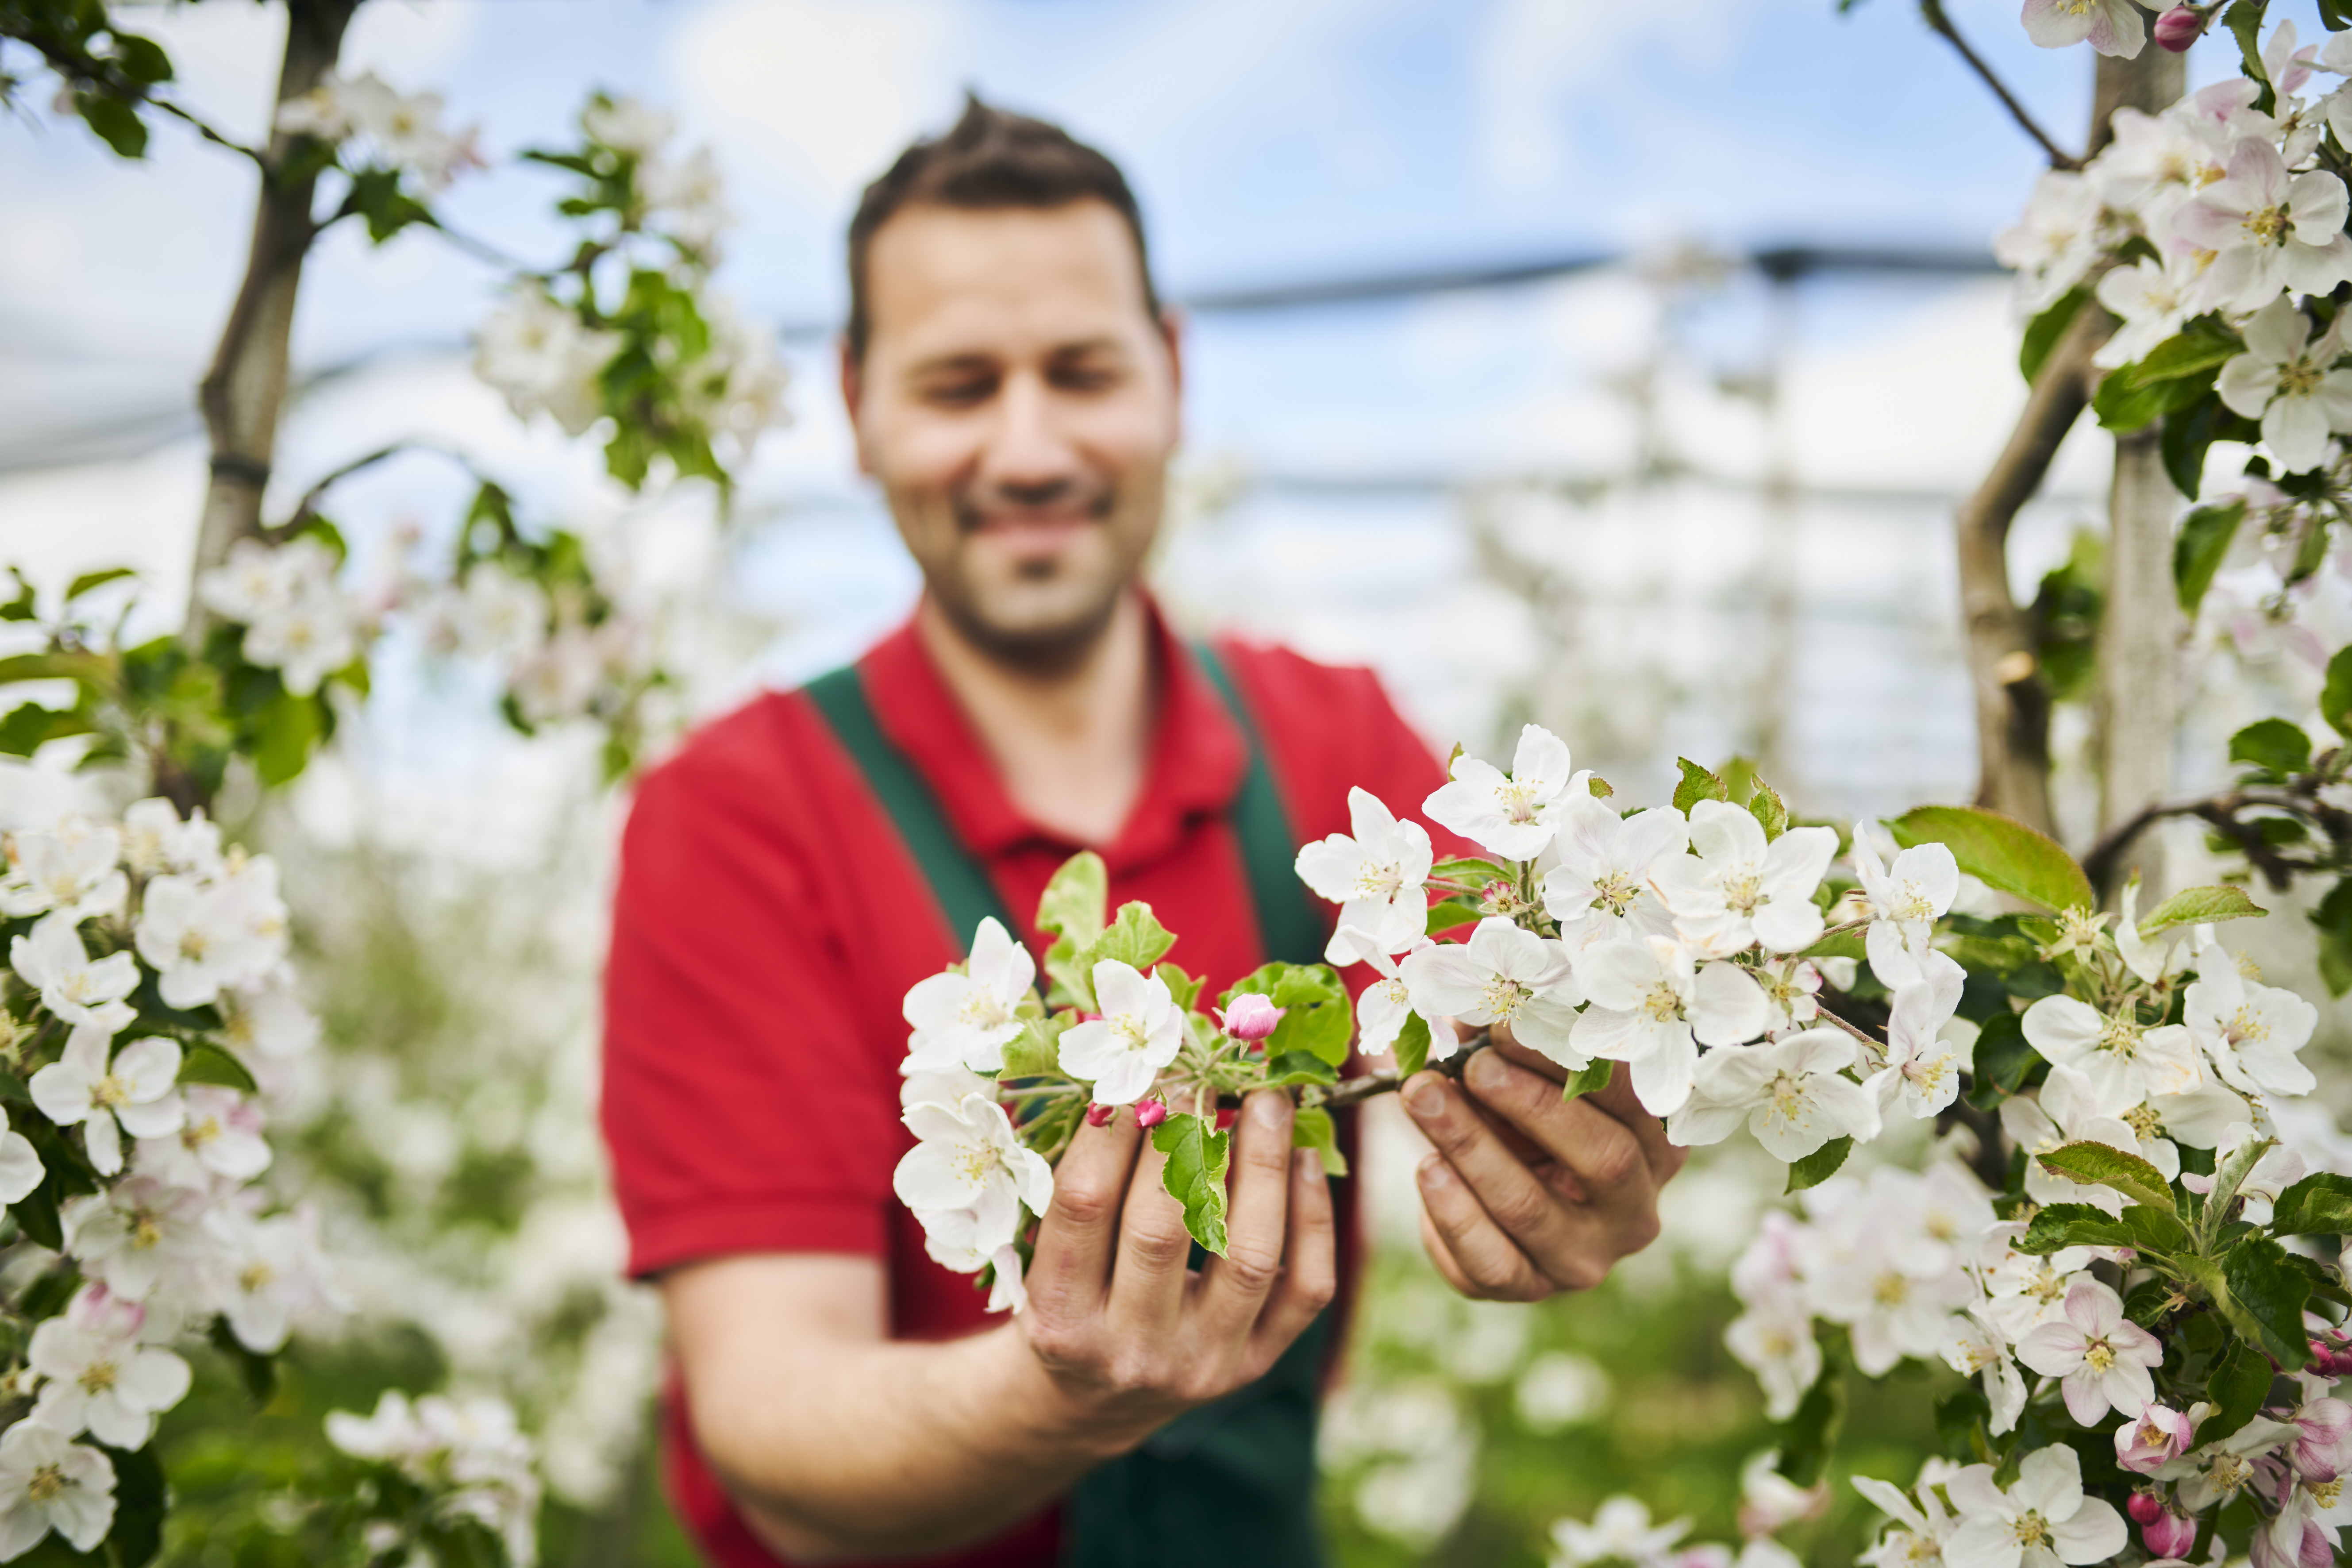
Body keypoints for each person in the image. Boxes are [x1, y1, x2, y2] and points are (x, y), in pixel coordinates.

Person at [599, 97, 1687, 1568]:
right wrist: (1061, 1391)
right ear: (854, 404)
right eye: (960, 385)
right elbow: (771, 1424)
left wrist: (1577, 1167)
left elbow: (1528, 1068)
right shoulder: (735, 815)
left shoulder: (1338, 749)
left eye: (1083, 372)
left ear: (1171, 376)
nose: (1030, 448)